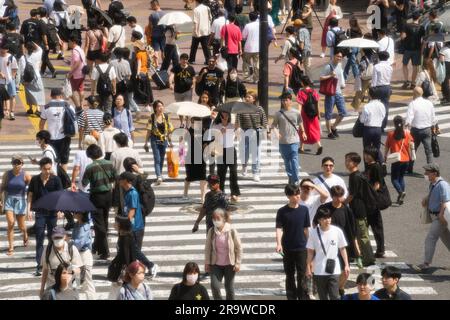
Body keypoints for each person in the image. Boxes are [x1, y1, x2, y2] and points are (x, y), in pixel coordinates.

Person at [317, 185, 361, 296]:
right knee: (328, 269)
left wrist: (356, 246)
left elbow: (353, 229)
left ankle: (338, 287)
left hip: (343, 244)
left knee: (346, 271)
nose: (338, 199)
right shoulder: (325, 209)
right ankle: (332, 288)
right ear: (332, 196)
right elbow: (315, 223)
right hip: (327, 244)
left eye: (340, 196)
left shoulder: (346, 209)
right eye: (336, 196)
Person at [28, 157, 63, 276]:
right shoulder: (35, 180)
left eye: (49, 168)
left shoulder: (56, 180)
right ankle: (40, 264)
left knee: (52, 239)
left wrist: (60, 210)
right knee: (39, 239)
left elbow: (60, 196)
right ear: (41, 168)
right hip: (40, 213)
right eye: (45, 169)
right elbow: (30, 195)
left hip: (53, 213)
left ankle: (53, 263)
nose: (48, 171)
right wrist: (28, 210)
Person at [119, 172, 158, 278]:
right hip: (132, 226)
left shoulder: (132, 193)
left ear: (126, 181)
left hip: (135, 227)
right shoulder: (127, 192)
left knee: (134, 250)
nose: (119, 181)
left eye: (121, 179)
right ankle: (131, 270)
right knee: (129, 249)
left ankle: (151, 265)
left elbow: (132, 210)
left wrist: (125, 224)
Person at [305, 207, 350, 300]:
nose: (328, 220)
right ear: (319, 220)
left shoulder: (337, 231)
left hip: (334, 269)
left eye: (329, 217)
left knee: (334, 296)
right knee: (323, 297)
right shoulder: (313, 233)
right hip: (319, 270)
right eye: (324, 218)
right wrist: (308, 268)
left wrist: (346, 264)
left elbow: (342, 248)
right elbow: (310, 251)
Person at [275, 184, 310, 300]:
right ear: (288, 196)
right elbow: (279, 229)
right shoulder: (282, 211)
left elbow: (306, 229)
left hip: (302, 247)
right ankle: (291, 296)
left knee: (302, 274)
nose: (297, 196)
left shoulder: (304, 210)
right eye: (294, 195)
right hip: (287, 247)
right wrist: (279, 243)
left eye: (298, 193)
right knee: (289, 274)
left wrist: (310, 245)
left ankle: (303, 296)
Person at [82, 144, 116, 260]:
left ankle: (105, 251)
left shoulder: (90, 167)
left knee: (99, 224)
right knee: (104, 221)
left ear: (90, 155)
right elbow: (114, 178)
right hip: (108, 195)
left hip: (96, 196)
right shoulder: (109, 164)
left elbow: (84, 183)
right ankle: (96, 245)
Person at [414, 163, 450, 271]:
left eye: (427, 173)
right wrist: (426, 199)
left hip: (440, 217)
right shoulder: (433, 184)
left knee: (430, 238)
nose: (425, 174)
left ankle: (426, 263)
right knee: (448, 240)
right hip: (436, 216)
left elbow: (446, 201)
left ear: (434, 173)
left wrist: (441, 215)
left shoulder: (443, 185)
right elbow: (433, 194)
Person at [344, 152, 376, 266]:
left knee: (362, 235)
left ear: (355, 163)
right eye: (346, 160)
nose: (346, 163)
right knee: (360, 234)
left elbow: (352, 195)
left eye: (349, 160)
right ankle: (366, 255)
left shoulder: (355, 176)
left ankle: (368, 258)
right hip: (359, 208)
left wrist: (343, 203)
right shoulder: (357, 175)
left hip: (359, 209)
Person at [205, 208, 242, 300]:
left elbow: (239, 248)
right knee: (215, 286)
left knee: (229, 288)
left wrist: (238, 263)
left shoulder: (231, 230)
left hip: (230, 264)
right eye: (214, 218)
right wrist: (207, 262)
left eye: (218, 218)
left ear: (224, 219)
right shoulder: (212, 231)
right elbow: (208, 248)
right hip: (215, 264)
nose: (215, 221)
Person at [271, 91, 305, 186]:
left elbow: (300, 122)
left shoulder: (296, 112)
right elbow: (273, 125)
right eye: (283, 100)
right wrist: (276, 132)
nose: (284, 102)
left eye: (286, 100)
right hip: (283, 142)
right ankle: (290, 176)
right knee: (287, 161)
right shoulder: (278, 114)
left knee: (294, 159)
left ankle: (295, 179)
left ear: (290, 101)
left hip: (294, 140)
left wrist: (303, 132)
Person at [0, 155, 32, 256]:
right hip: (9, 200)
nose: (16, 165)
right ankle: (11, 247)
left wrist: (30, 203)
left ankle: (25, 234)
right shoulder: (7, 174)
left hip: (21, 201)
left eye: (18, 163)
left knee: (21, 226)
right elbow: (2, 187)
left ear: (22, 164)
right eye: (14, 163)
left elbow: (31, 189)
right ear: (12, 164)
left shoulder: (26, 175)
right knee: (11, 223)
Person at [39, 226, 83, 299]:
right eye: (55, 238)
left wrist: (68, 273)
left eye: (60, 237)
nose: (58, 240)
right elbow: (45, 270)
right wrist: (42, 289)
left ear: (65, 237)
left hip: (68, 285)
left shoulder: (71, 249)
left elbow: (78, 269)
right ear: (52, 238)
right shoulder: (47, 250)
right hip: (52, 285)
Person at [39, 88, 75, 172]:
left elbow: (41, 124)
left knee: (51, 160)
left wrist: (44, 137)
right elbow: (74, 120)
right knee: (64, 161)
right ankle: (63, 181)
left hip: (51, 138)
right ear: (61, 96)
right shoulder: (68, 105)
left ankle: (52, 179)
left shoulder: (46, 107)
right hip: (64, 136)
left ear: (51, 96)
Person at [236, 90, 267, 182]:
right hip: (245, 133)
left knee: (256, 154)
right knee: (244, 153)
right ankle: (244, 166)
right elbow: (238, 121)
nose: (247, 98)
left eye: (249, 97)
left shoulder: (259, 109)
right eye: (246, 97)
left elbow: (264, 121)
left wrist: (262, 129)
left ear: (254, 99)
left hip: (256, 133)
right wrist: (237, 129)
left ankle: (255, 172)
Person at [405, 87, 436, 174]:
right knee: (429, 151)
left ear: (414, 94)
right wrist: (433, 126)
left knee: (412, 149)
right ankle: (431, 170)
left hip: (415, 130)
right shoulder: (429, 103)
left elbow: (409, 119)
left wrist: (406, 128)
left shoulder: (413, 104)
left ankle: (409, 168)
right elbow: (433, 117)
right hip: (427, 129)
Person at [384, 116, 414, 205]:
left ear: (394, 123)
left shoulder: (391, 134)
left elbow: (387, 146)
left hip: (396, 159)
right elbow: (411, 144)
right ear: (403, 123)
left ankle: (401, 192)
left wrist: (385, 156)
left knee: (394, 179)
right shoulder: (407, 134)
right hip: (406, 159)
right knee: (401, 177)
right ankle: (401, 198)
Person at [363, 146, 386, 258]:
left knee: (376, 226)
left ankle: (380, 250)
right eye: (365, 154)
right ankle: (366, 249)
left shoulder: (376, 167)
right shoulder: (369, 166)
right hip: (368, 201)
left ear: (374, 156)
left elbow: (377, 184)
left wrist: (368, 194)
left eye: (368, 154)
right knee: (367, 225)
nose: (366, 156)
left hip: (372, 201)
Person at [213, 111, 241, 203]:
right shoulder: (216, 126)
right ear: (220, 116)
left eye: (226, 116)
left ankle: (235, 193)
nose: (224, 118)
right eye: (222, 116)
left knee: (233, 172)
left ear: (229, 116)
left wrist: (238, 128)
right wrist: (220, 132)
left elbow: (239, 137)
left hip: (230, 150)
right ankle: (220, 192)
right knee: (221, 173)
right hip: (220, 150)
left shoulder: (232, 125)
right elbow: (212, 137)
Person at [144, 100, 174, 184]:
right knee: (157, 159)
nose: (160, 108)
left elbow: (168, 130)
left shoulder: (166, 116)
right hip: (154, 139)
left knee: (161, 158)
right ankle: (158, 176)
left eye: (161, 106)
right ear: (155, 108)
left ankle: (159, 174)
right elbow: (149, 131)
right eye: (158, 106)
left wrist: (170, 142)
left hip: (164, 139)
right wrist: (146, 142)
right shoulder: (152, 117)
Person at [319, 50, 346, 139]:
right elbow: (321, 78)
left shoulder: (339, 65)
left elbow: (341, 76)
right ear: (333, 56)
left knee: (343, 112)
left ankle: (333, 127)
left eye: (340, 57)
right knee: (328, 114)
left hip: (339, 92)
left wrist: (343, 84)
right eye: (338, 56)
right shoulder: (328, 66)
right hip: (330, 93)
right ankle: (330, 132)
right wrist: (330, 75)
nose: (339, 58)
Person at [71, 212, 96, 300]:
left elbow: (79, 243)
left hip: (84, 255)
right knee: (76, 282)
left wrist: (69, 242)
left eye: (76, 212)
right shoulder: (77, 224)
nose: (73, 213)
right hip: (76, 255)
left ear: (81, 214)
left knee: (87, 283)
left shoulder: (85, 226)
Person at [183, 118, 208, 202]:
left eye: (198, 122)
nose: (196, 124)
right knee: (189, 177)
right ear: (191, 123)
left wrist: (205, 145)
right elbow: (184, 140)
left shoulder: (203, 130)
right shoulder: (189, 131)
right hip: (190, 156)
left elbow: (206, 143)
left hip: (201, 157)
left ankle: (203, 197)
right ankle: (185, 193)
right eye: (193, 122)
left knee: (203, 177)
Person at [359, 87, 386, 162]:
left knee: (367, 150)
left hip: (368, 129)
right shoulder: (382, 105)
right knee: (376, 149)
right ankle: (379, 165)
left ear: (370, 95)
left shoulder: (367, 106)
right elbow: (383, 116)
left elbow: (362, 120)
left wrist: (360, 115)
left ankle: (367, 168)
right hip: (378, 129)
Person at [169, 53, 196, 128]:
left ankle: (187, 123)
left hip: (187, 91)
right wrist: (170, 83)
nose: (184, 60)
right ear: (180, 60)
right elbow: (171, 75)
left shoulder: (190, 68)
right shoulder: (176, 67)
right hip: (177, 91)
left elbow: (193, 78)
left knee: (187, 107)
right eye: (183, 59)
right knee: (179, 108)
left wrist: (193, 84)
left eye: (186, 59)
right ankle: (181, 122)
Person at [297, 76, 322, 154]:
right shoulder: (314, 91)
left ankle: (301, 148)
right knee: (314, 129)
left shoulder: (301, 92)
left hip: (305, 115)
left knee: (303, 130)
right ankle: (319, 145)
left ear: (302, 83)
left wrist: (298, 116)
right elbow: (317, 103)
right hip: (314, 114)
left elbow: (299, 106)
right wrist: (318, 113)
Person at [400, 11, 424, 90]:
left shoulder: (406, 26)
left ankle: (406, 81)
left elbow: (402, 37)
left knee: (404, 65)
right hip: (417, 49)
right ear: (419, 18)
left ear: (412, 17)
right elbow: (423, 40)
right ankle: (413, 83)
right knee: (415, 67)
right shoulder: (421, 27)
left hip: (407, 49)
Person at [20, 41, 45, 116]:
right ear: (34, 47)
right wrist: (32, 42)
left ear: (26, 48)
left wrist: (22, 80)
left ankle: (30, 108)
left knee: (29, 93)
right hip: (37, 77)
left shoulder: (24, 57)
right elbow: (40, 48)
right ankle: (37, 109)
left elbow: (22, 69)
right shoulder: (38, 54)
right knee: (38, 92)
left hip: (27, 78)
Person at [370, 51, 392, 131]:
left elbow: (374, 80)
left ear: (379, 57)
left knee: (376, 105)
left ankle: (376, 123)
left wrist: (372, 89)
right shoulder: (389, 67)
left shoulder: (377, 66)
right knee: (385, 106)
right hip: (387, 87)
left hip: (378, 87)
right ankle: (383, 125)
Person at [67, 35, 86, 113]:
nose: (68, 43)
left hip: (76, 74)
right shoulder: (80, 49)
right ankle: (81, 105)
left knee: (73, 90)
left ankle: (78, 106)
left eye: (69, 42)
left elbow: (77, 62)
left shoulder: (75, 51)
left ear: (73, 42)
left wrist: (71, 73)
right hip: (82, 73)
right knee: (81, 89)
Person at [189, 0, 212, 65]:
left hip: (198, 30)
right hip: (206, 30)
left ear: (197, 1)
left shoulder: (196, 9)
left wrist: (195, 31)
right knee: (206, 47)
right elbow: (210, 18)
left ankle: (192, 59)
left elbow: (195, 21)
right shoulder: (207, 8)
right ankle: (208, 60)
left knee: (194, 47)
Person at [132, 40, 153, 108]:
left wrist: (137, 73)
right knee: (145, 87)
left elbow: (139, 64)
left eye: (134, 47)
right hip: (145, 72)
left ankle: (144, 100)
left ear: (137, 48)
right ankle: (147, 100)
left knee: (138, 88)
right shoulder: (145, 53)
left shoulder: (138, 54)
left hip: (140, 72)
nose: (133, 48)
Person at [0, 44, 18, 121]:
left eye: (4, 49)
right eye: (1, 49)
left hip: (10, 80)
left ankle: (12, 112)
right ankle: (4, 111)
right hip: (1, 80)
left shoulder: (11, 57)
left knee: (12, 96)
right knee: (2, 97)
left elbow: (15, 68)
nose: (2, 50)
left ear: (7, 50)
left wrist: (12, 77)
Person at [242, 11, 259, 84]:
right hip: (258, 47)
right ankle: (256, 78)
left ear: (249, 17)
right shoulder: (260, 25)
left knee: (246, 63)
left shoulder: (247, 26)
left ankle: (246, 77)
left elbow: (243, 36)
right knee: (257, 64)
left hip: (248, 47)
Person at [343, 16, 362, 81]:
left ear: (350, 23)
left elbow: (347, 39)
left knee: (353, 64)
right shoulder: (359, 29)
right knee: (349, 63)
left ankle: (357, 78)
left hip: (352, 48)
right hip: (357, 47)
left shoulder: (349, 30)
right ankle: (344, 76)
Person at [149, 0, 166, 67]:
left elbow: (150, 26)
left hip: (155, 34)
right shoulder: (165, 14)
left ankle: (157, 65)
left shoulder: (152, 15)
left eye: (151, 6)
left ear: (154, 5)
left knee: (155, 50)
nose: (151, 7)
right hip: (163, 34)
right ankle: (164, 64)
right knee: (163, 50)